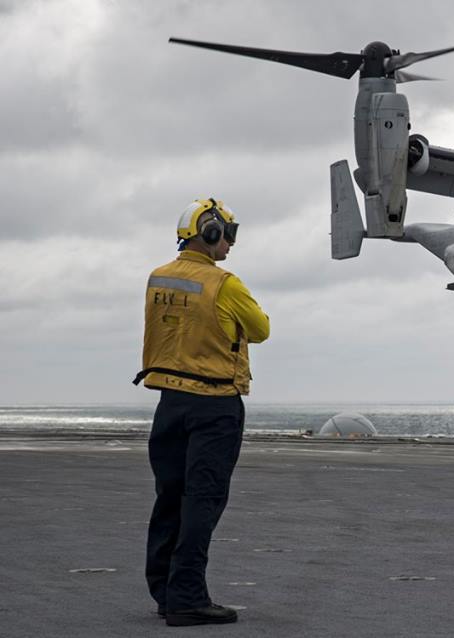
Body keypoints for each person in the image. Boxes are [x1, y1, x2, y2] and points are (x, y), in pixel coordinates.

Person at [133, 198, 270, 626]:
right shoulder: (224, 283)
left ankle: (165, 591)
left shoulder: (157, 278)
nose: (230, 241)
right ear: (210, 233)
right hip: (214, 406)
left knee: (169, 497)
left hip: (169, 403)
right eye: (228, 232)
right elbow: (261, 329)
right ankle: (188, 598)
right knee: (202, 501)